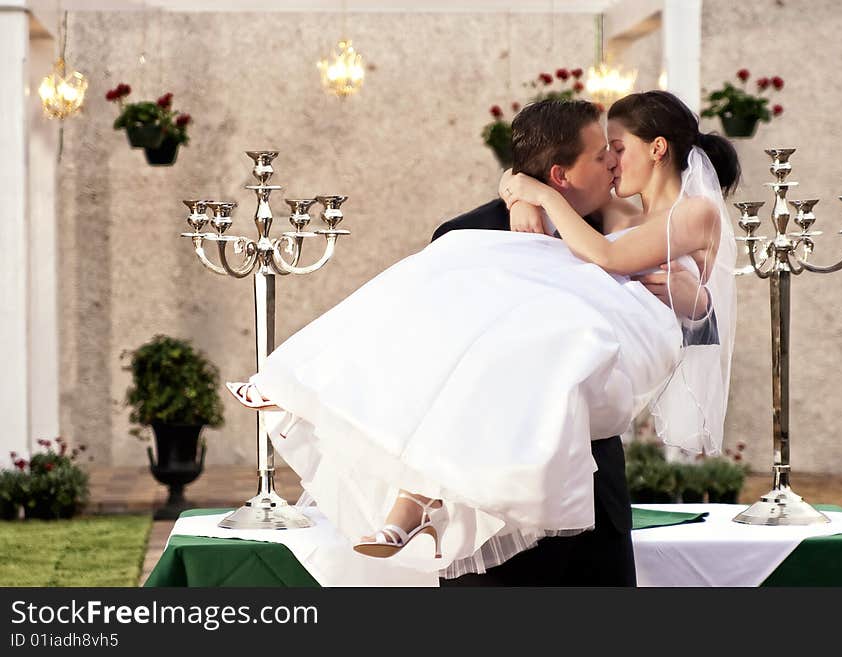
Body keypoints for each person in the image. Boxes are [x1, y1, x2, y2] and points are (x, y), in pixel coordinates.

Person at [226, 91, 738, 582]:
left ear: (657, 148)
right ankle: (375, 454)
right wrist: (519, 189)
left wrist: (535, 195)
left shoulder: (695, 212)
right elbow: (548, 185)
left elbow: (608, 259)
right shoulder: (625, 209)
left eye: (617, 150)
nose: (611, 162)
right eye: (605, 153)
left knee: (515, 309)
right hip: (603, 304)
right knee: (459, 271)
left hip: (628, 323)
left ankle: (407, 487)